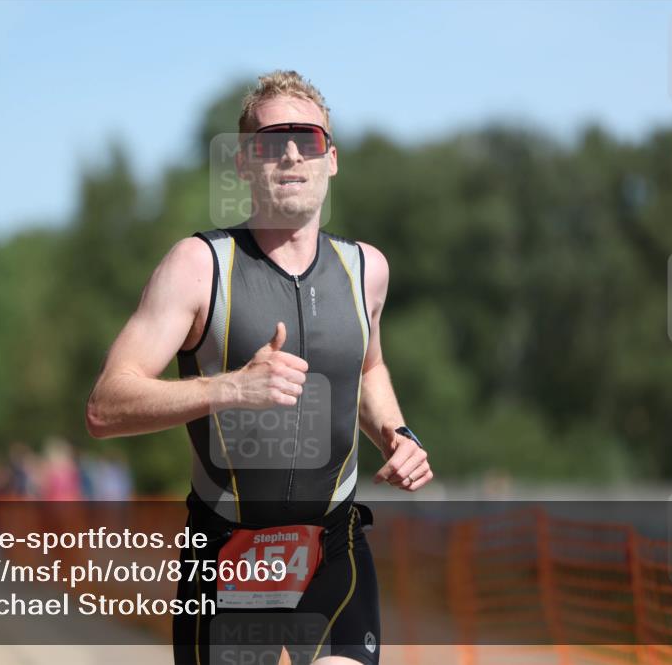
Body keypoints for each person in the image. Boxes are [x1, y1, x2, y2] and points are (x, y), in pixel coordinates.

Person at [86, 70, 433, 665]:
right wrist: (229, 388)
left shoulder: (366, 270)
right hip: (227, 549)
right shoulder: (198, 266)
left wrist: (397, 435)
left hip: (332, 543)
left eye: (308, 139)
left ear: (332, 159)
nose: (293, 153)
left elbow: (368, 367)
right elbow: (105, 407)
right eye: (272, 142)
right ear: (245, 164)